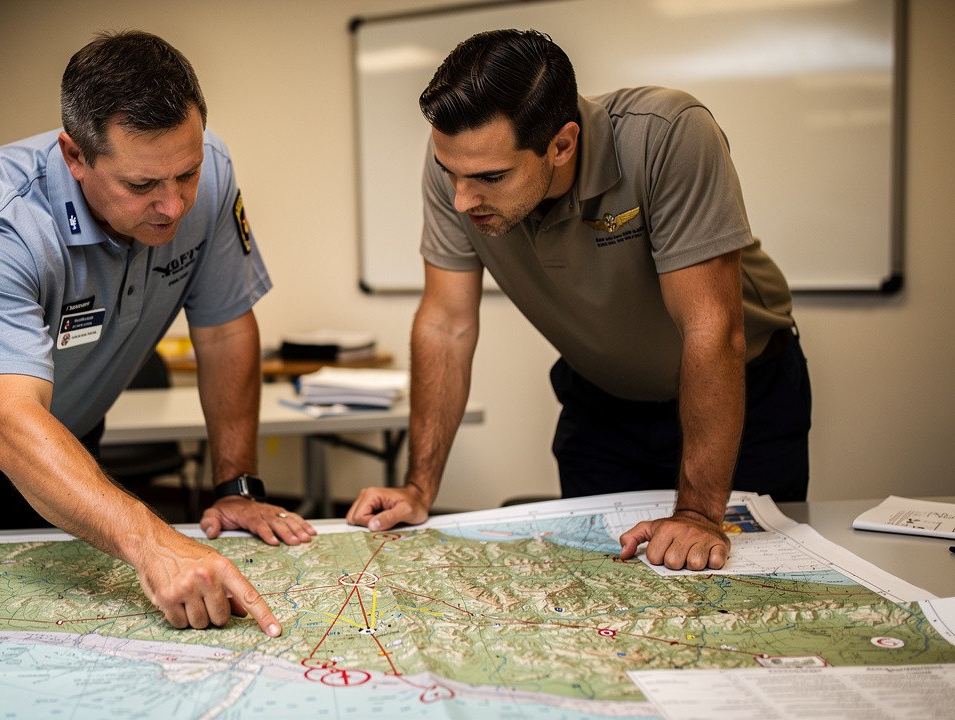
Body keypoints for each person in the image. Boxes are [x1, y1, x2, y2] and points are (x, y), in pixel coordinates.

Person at [0, 30, 316, 636]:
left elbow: (223, 331)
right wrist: (156, 543)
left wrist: (237, 487)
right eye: (142, 186)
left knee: (58, 631)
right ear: (75, 157)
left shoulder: (213, 174)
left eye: (186, 175)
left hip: (59, 435)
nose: (173, 206)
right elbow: (10, 427)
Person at [346, 29, 812, 572]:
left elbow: (710, 329)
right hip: (602, 409)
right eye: (452, 173)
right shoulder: (459, 166)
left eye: (490, 177)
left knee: (745, 599)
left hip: (741, 398)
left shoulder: (668, 136)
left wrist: (699, 515)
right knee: (601, 597)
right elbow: (446, 324)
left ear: (562, 144)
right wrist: (418, 487)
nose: (462, 198)